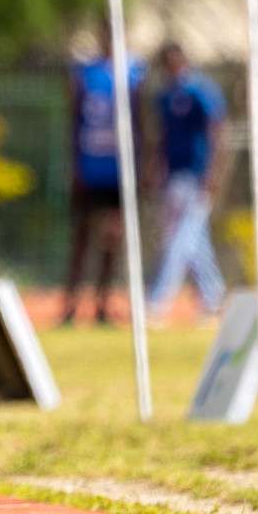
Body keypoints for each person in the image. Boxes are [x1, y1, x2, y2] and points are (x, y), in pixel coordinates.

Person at [61, 25, 142, 325]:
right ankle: (69, 304)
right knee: (82, 237)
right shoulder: (84, 72)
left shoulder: (135, 72)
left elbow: (141, 122)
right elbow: (74, 119)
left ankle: (102, 303)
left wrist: (141, 167)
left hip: (119, 171)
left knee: (112, 238)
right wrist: (73, 165)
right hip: (90, 167)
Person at [146, 41, 229, 318]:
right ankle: (213, 295)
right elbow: (163, 136)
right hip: (173, 175)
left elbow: (217, 130)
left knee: (182, 239)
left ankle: (158, 299)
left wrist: (212, 172)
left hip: (196, 174)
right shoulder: (165, 94)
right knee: (190, 240)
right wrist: (156, 167)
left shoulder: (199, 89)